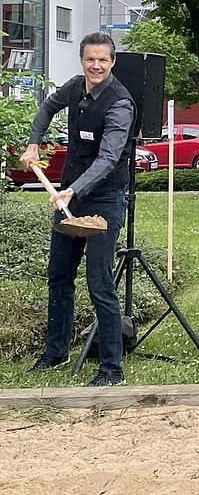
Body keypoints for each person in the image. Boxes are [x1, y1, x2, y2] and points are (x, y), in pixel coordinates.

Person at [21, 32, 135, 386]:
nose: (96, 65)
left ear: (112, 62)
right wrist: (33, 144)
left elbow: (108, 157)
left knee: (100, 282)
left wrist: (73, 190)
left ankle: (111, 368)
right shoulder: (75, 88)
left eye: (103, 60)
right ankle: (55, 352)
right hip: (69, 196)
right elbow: (46, 107)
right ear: (82, 61)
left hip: (102, 200)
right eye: (90, 59)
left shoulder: (120, 103)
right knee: (58, 276)